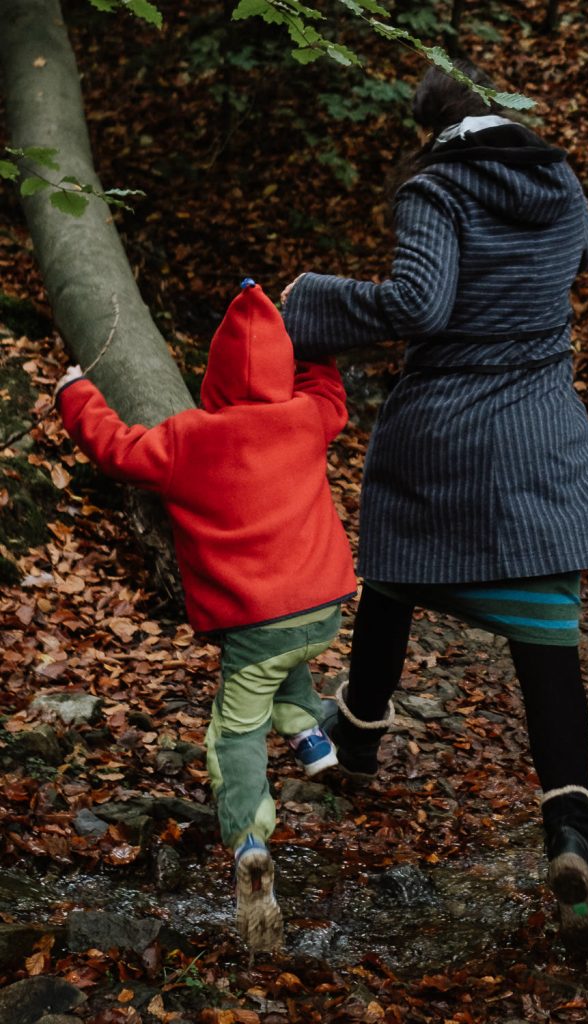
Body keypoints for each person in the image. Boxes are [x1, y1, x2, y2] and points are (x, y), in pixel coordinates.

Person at [280, 62, 588, 957]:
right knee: (548, 639)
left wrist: (308, 302)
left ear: (428, 133)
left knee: (392, 574)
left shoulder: (434, 190)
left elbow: (416, 304)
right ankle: (569, 836)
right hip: (544, 436)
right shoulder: (557, 179)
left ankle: (355, 740)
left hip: (451, 431)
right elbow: (581, 255)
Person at [56, 280, 357, 953]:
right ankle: (312, 741)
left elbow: (116, 449)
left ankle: (249, 840)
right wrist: (312, 351)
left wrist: (75, 391)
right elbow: (330, 396)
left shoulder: (190, 438)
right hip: (321, 606)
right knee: (287, 658)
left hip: (255, 620)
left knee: (234, 735)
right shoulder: (307, 416)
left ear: (214, 374)